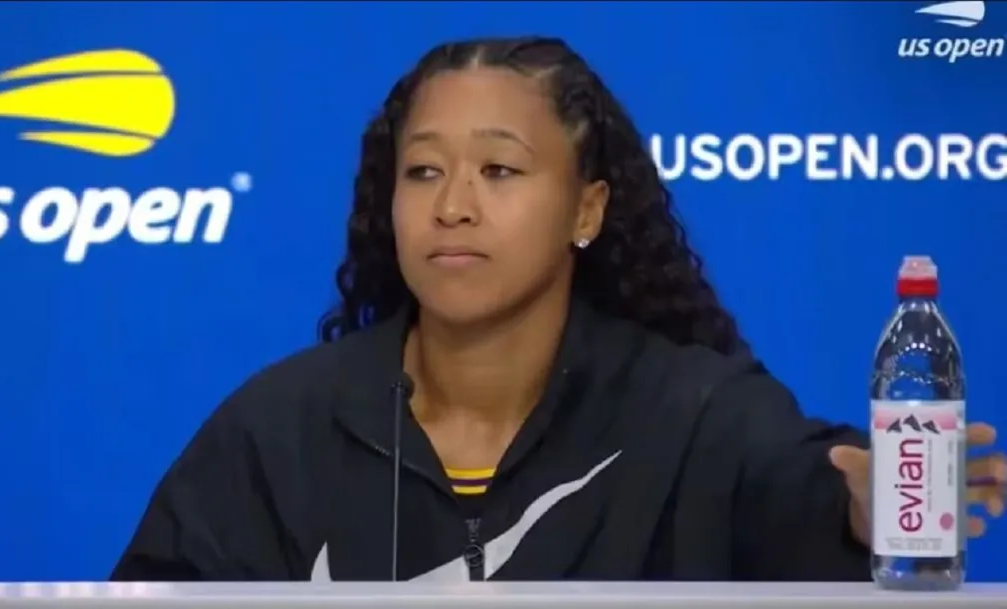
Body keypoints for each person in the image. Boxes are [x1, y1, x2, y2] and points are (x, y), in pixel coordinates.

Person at [110, 36, 1005, 582]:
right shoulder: (281, 428)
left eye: (499, 170)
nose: (452, 204)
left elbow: (809, 499)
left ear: (587, 209)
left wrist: (864, 509)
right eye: (422, 171)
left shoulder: (693, 414)